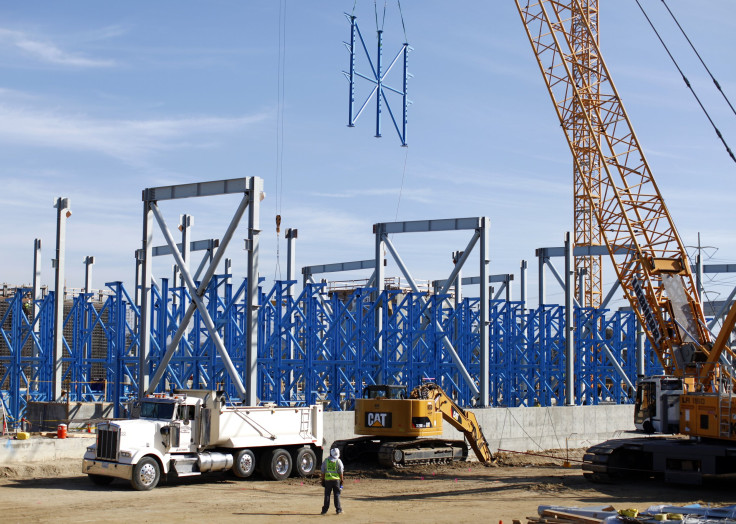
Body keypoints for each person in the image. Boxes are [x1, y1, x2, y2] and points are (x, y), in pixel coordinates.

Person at [320, 447, 344, 515]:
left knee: (327, 495)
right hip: (336, 481)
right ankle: (338, 510)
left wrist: (323, 480)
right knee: (337, 494)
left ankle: (324, 511)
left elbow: (322, 471)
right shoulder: (338, 461)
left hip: (328, 480)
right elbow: (341, 472)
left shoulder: (326, 461)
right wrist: (342, 480)